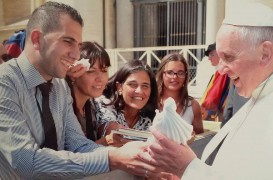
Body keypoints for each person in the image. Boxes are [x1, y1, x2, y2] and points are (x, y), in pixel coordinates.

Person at [0, 2, 164, 179]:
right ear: (37, 39)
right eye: (68, 41)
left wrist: (138, 160)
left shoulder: (60, 85)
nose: (76, 55)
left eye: (78, 44)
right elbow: (24, 162)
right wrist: (112, 158)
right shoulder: (5, 82)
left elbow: (78, 144)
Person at [140, 3, 273, 179]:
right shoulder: (264, 91)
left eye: (229, 57)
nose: (221, 69)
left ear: (265, 53)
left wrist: (188, 169)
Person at [95, 59, 158, 141]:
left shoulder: (149, 118)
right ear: (119, 87)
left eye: (145, 86)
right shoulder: (105, 103)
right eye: (133, 84)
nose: (139, 91)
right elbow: (112, 134)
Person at [156, 53, 204, 134]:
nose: (175, 77)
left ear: (185, 76)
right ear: (162, 74)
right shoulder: (151, 101)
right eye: (170, 72)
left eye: (180, 73)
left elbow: (200, 140)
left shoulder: (193, 106)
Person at [200, 42, 230, 121]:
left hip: (214, 112)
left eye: (212, 55)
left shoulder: (223, 72)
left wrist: (204, 108)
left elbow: (213, 96)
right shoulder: (220, 71)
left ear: (221, 55)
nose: (209, 58)